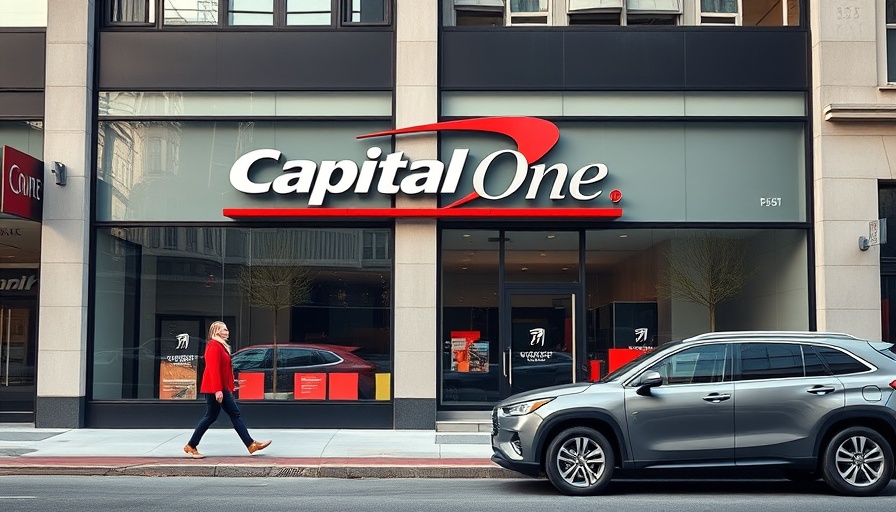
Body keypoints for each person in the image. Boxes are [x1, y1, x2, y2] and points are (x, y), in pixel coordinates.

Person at [183, 321, 271, 459]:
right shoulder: (213, 346)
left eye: (227, 329)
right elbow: (213, 370)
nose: (227, 332)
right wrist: (218, 390)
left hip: (220, 388)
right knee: (232, 414)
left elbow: (224, 370)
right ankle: (250, 444)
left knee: (212, 416)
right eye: (224, 330)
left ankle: (191, 445)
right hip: (215, 389)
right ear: (216, 331)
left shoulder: (220, 346)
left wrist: (229, 385)